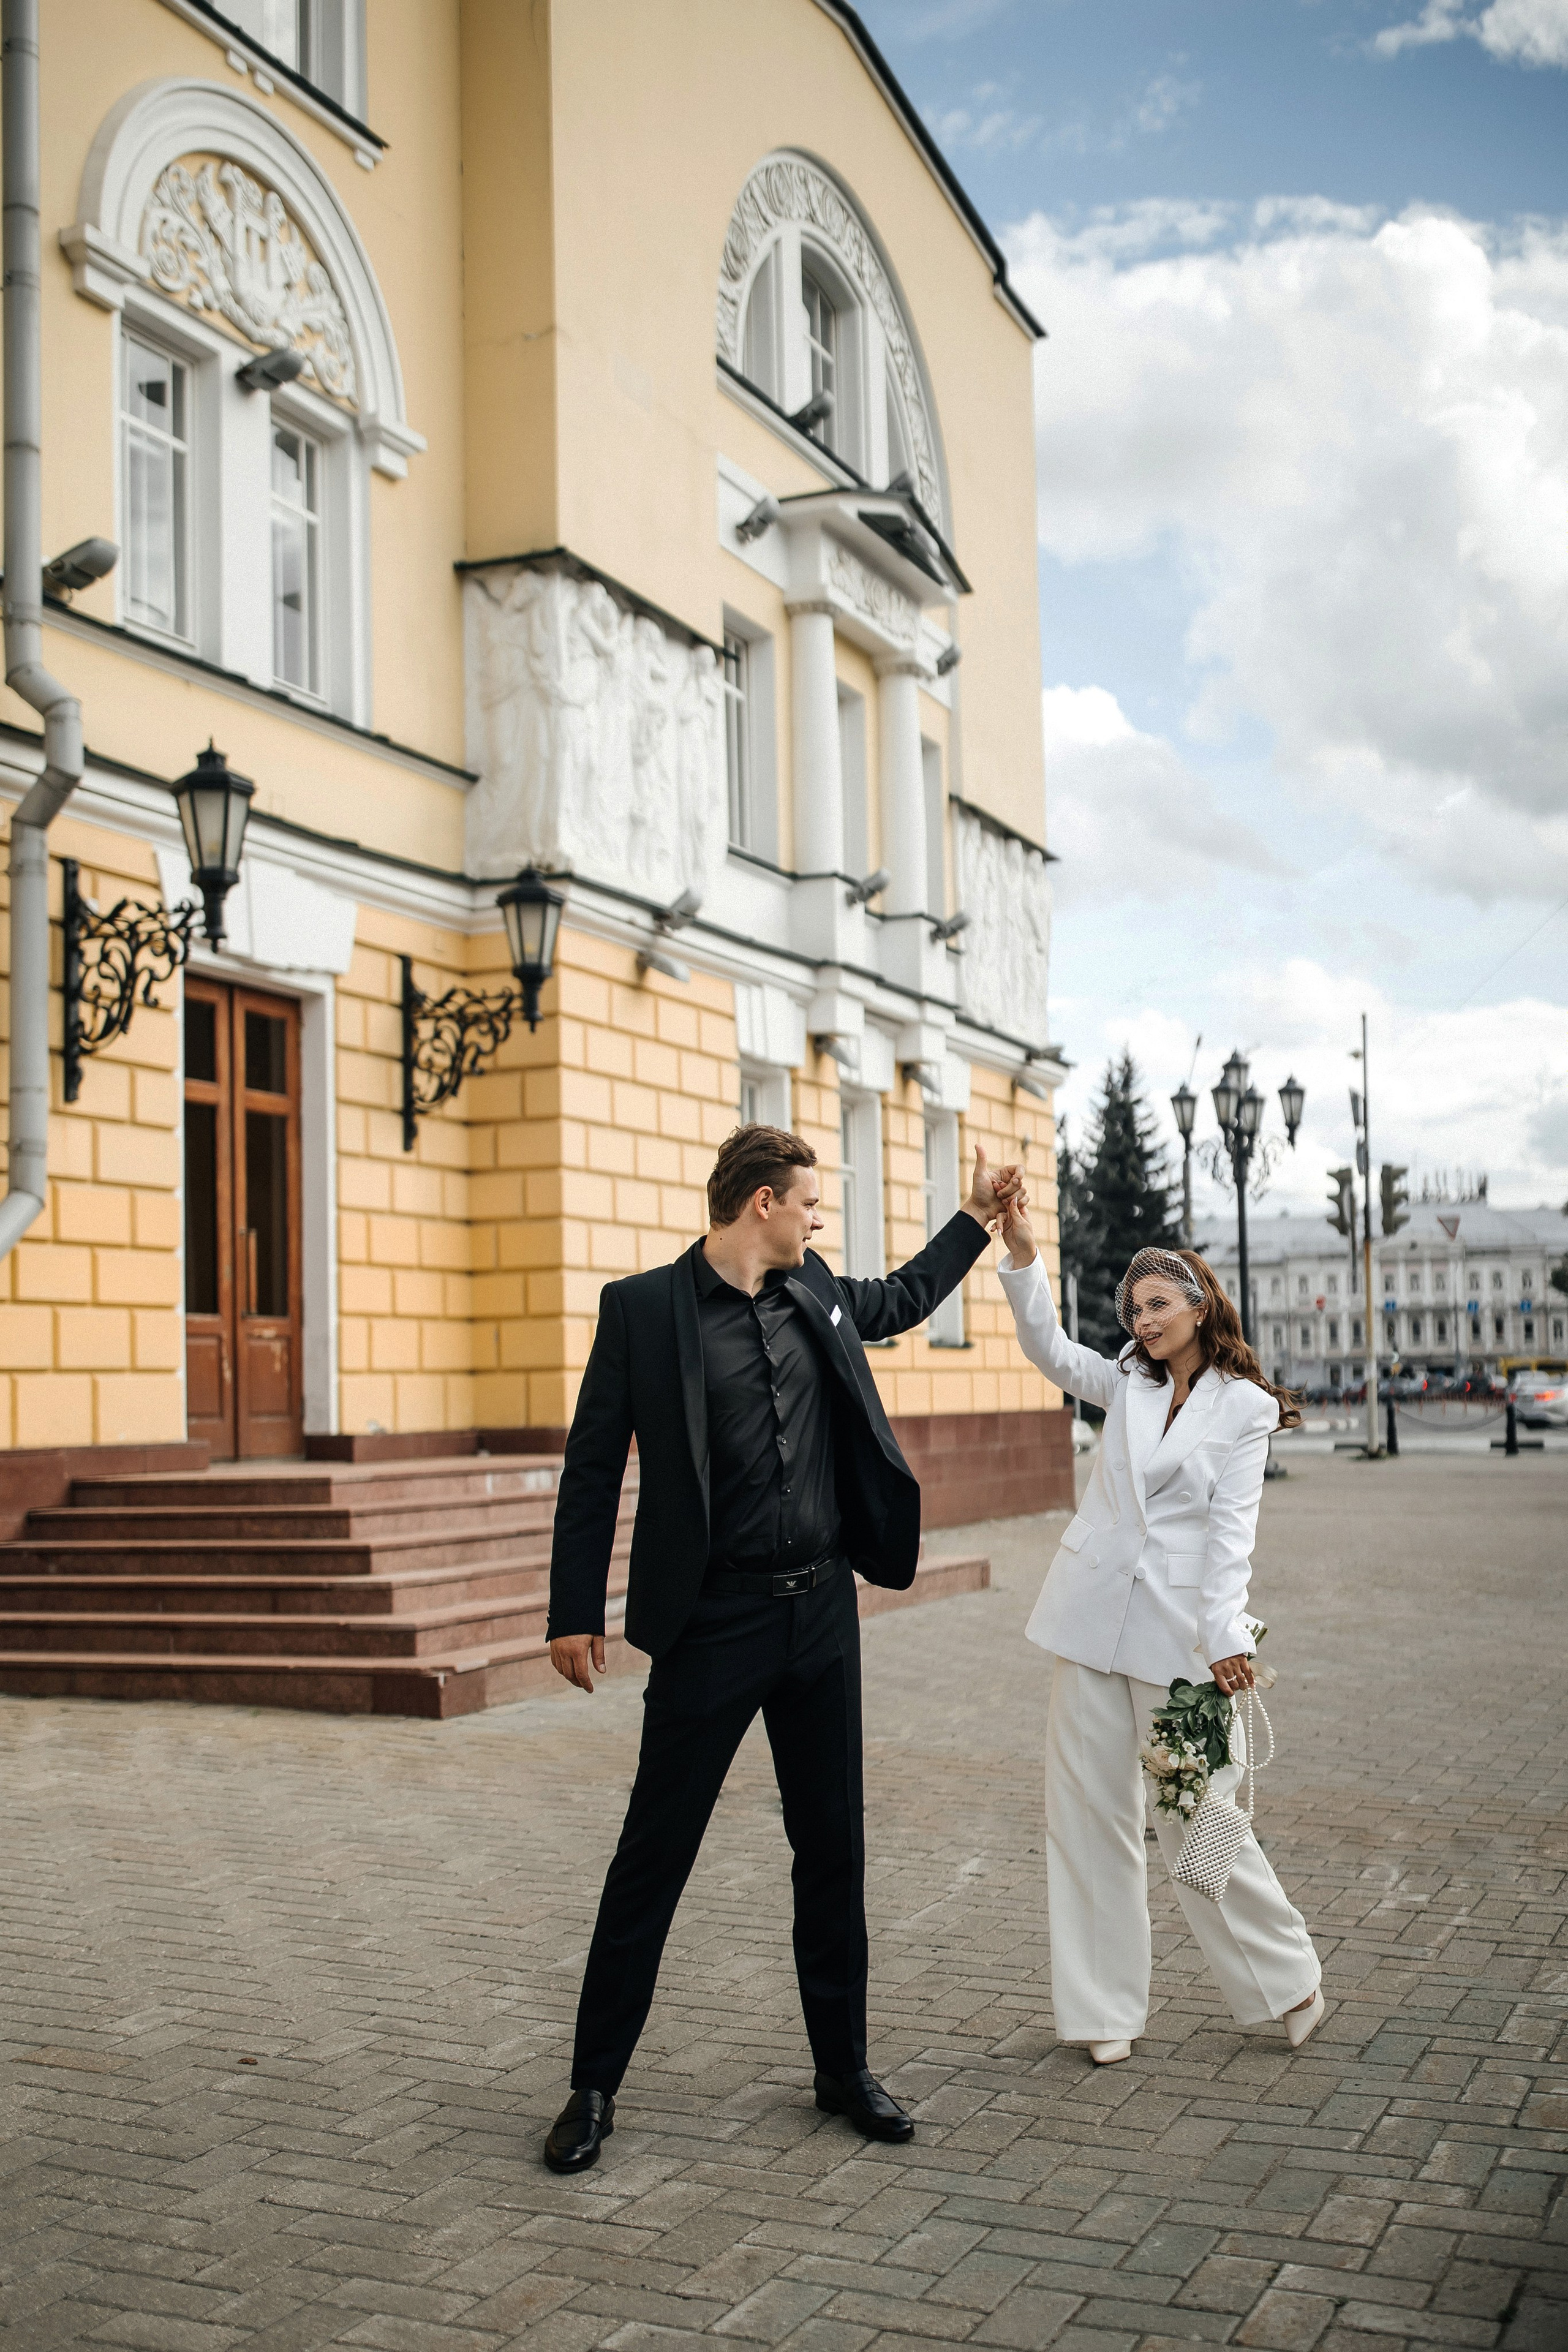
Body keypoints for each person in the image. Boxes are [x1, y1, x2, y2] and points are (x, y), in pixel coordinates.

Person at [541, 1121, 1021, 2172]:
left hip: (821, 1618)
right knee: (653, 1855)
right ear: (762, 1202)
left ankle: (842, 2070)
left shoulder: (819, 1292)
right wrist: (572, 1608)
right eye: (810, 1202)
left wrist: (978, 1216)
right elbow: (592, 1465)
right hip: (712, 1623)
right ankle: (592, 2086)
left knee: (832, 1851)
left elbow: (906, 1296)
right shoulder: (642, 1311)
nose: (818, 1221)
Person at [995, 1199, 1324, 2065]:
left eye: (1158, 1305)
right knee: (1086, 1818)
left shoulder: (1244, 1408)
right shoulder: (1126, 1381)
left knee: (1194, 1816)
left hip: (1181, 1640)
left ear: (1200, 1306)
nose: (1142, 1321)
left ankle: (1287, 1977)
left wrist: (1227, 1633)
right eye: (1133, 1309)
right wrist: (1023, 1256)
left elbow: (1230, 1537)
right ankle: (1103, 2011)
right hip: (1087, 1621)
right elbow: (1049, 1350)